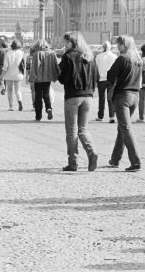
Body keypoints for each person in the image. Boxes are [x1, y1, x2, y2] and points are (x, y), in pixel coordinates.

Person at [57, 31, 98, 172]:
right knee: (83, 129)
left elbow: (63, 79)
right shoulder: (90, 56)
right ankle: (92, 153)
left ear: (73, 42)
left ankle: (73, 163)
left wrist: (58, 70)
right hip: (88, 96)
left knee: (71, 131)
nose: (65, 44)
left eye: (67, 42)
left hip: (73, 96)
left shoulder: (68, 57)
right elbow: (96, 76)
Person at [106, 35, 142, 171]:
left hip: (123, 96)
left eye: (119, 44)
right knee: (122, 128)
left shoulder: (122, 58)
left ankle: (136, 162)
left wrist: (115, 79)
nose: (117, 47)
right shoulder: (138, 60)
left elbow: (110, 75)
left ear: (125, 45)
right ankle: (115, 159)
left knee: (126, 128)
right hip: (135, 96)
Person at [29, 39, 59, 121]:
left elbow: (34, 67)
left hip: (38, 79)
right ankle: (49, 108)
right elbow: (56, 65)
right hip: (47, 78)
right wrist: (56, 75)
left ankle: (38, 116)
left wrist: (32, 78)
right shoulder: (51, 53)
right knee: (46, 94)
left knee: (38, 96)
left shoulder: (36, 54)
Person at [95, 42, 117, 123]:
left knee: (101, 98)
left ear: (103, 47)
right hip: (111, 80)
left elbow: (95, 68)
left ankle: (100, 116)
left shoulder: (99, 56)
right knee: (110, 98)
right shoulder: (114, 56)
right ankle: (112, 116)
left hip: (101, 79)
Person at [2, 40, 25, 112]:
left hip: (9, 75)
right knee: (18, 90)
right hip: (18, 74)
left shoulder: (8, 53)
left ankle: (11, 106)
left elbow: (5, 66)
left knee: (9, 90)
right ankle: (19, 101)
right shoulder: (21, 53)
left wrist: (2, 74)